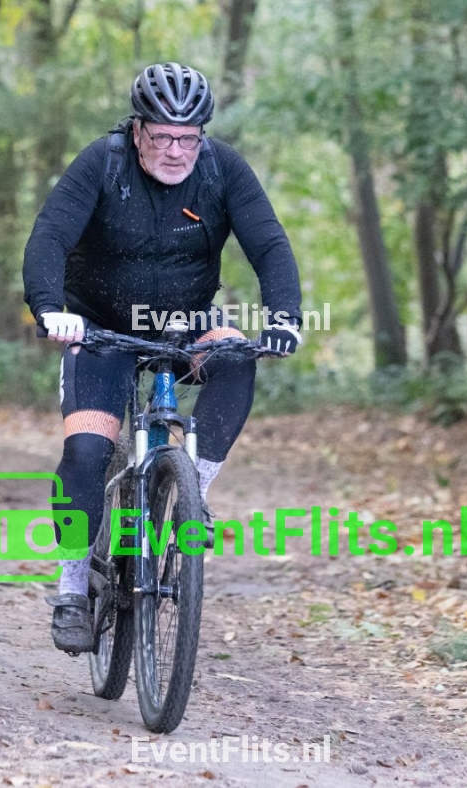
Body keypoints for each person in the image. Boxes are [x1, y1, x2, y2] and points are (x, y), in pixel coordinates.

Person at [22, 62, 302, 654]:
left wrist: (284, 317)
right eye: (163, 137)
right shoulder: (102, 163)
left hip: (181, 322)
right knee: (87, 450)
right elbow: (50, 235)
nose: (176, 151)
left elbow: (269, 243)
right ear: (137, 129)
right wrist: (50, 309)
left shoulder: (223, 169)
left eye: (188, 138)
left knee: (235, 357)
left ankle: (191, 495)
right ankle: (72, 586)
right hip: (99, 326)